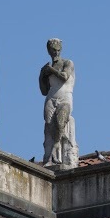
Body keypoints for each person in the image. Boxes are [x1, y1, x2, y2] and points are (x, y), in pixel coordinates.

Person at [39, 38, 79, 167]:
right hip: (51, 98)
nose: (56, 53)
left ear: (61, 50)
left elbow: (64, 76)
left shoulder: (68, 63)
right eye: (53, 50)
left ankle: (57, 148)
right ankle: (50, 157)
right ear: (49, 51)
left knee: (61, 121)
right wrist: (42, 76)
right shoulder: (46, 68)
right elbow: (44, 91)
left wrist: (51, 71)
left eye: (58, 50)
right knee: (49, 126)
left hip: (65, 98)